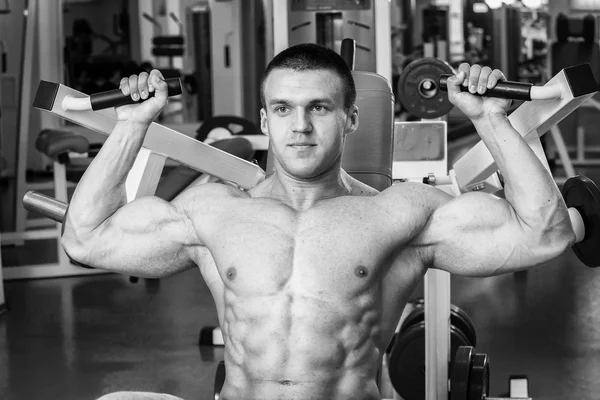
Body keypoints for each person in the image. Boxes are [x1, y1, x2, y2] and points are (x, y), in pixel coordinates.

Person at [62, 43, 576, 400]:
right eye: (283, 109)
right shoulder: (215, 211)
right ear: (265, 121)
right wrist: (131, 126)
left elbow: (544, 233)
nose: (301, 126)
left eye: (320, 108)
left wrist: (489, 118)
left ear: (351, 118)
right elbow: (86, 239)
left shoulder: (398, 214)